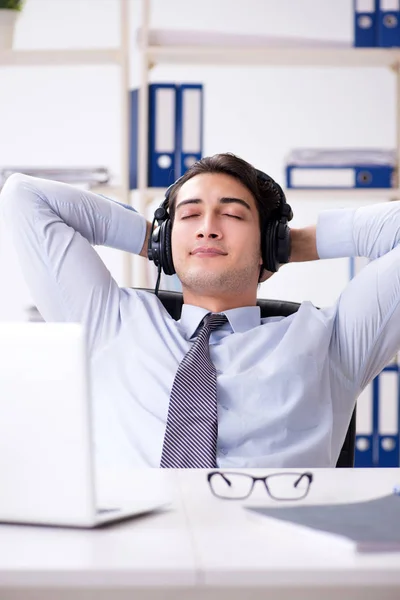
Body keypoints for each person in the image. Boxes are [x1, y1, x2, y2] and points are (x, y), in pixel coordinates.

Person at [1, 152, 400, 469]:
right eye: (190, 215)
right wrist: (153, 241)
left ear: (267, 240)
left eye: (231, 214)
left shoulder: (332, 342)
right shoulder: (109, 322)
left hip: (271, 562)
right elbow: (23, 196)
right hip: (128, 562)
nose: (207, 228)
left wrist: (287, 245)